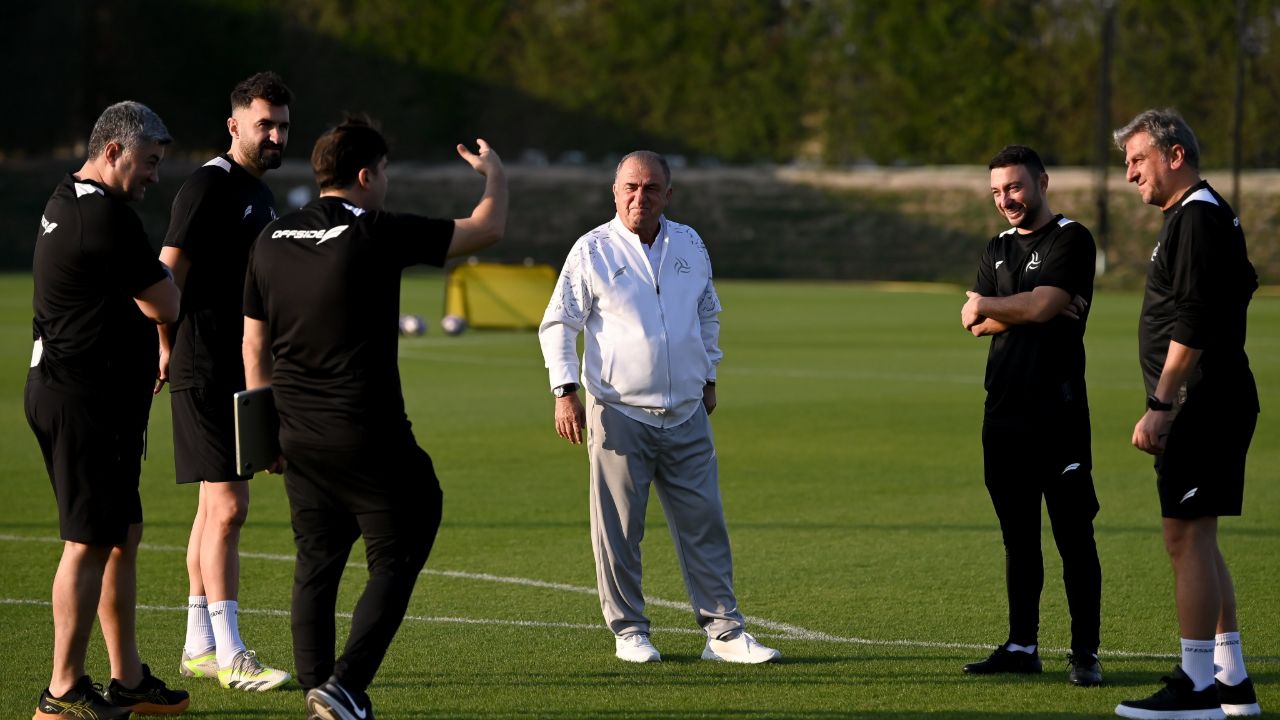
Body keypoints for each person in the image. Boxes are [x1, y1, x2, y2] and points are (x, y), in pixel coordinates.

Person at [242, 117, 507, 720]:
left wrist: (263, 436)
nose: (386, 182)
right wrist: (495, 174)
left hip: (295, 434)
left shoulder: (272, 237)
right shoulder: (373, 230)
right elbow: (487, 228)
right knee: (411, 525)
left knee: (317, 562)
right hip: (365, 433)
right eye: (384, 171)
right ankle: (345, 684)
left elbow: (253, 346)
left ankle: (318, 693)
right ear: (366, 176)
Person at [538, 150, 781, 665]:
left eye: (650, 188)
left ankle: (724, 634)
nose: (639, 197)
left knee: (705, 524)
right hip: (619, 412)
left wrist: (709, 376)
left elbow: (707, 313)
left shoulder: (690, 242)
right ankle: (629, 631)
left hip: (687, 412)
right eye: (630, 187)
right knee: (620, 531)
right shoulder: (592, 249)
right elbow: (559, 323)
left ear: (668, 194)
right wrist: (565, 391)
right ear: (614, 192)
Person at [26, 101, 190, 718]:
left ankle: (128, 678)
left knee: (122, 534)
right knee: (88, 542)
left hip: (83, 395)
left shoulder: (65, 197)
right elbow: (166, 303)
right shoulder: (104, 216)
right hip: (83, 401)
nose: (154, 175)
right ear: (114, 151)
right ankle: (62, 691)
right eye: (149, 162)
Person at [1113, 110, 1261, 720]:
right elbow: (1242, 283)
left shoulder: (1197, 216)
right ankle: (1231, 679)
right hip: (1210, 401)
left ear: (1175, 155)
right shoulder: (1202, 213)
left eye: (1138, 160)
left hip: (1201, 404)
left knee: (1185, 538)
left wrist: (1161, 403)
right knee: (1199, 536)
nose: (1130, 175)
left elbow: (1195, 318)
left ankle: (1197, 685)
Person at [157, 70, 293, 693]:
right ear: (234, 125)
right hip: (204, 367)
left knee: (214, 509)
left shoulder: (259, 193)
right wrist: (164, 347)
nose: (275, 136)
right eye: (264, 125)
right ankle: (233, 652)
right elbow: (165, 274)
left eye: (283, 126)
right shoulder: (207, 185)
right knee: (231, 507)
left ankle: (198, 646)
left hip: (240, 370)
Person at [959, 145, 1102, 686]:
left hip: (1058, 413)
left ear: (1042, 182)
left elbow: (1029, 307)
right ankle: (1022, 646)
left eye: (1015, 187)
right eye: (997, 191)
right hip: (1003, 413)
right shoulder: (996, 247)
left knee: (1073, 536)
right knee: (1018, 538)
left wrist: (996, 304)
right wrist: (1029, 307)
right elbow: (975, 324)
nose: (1006, 199)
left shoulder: (1072, 238)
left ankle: (1085, 653)